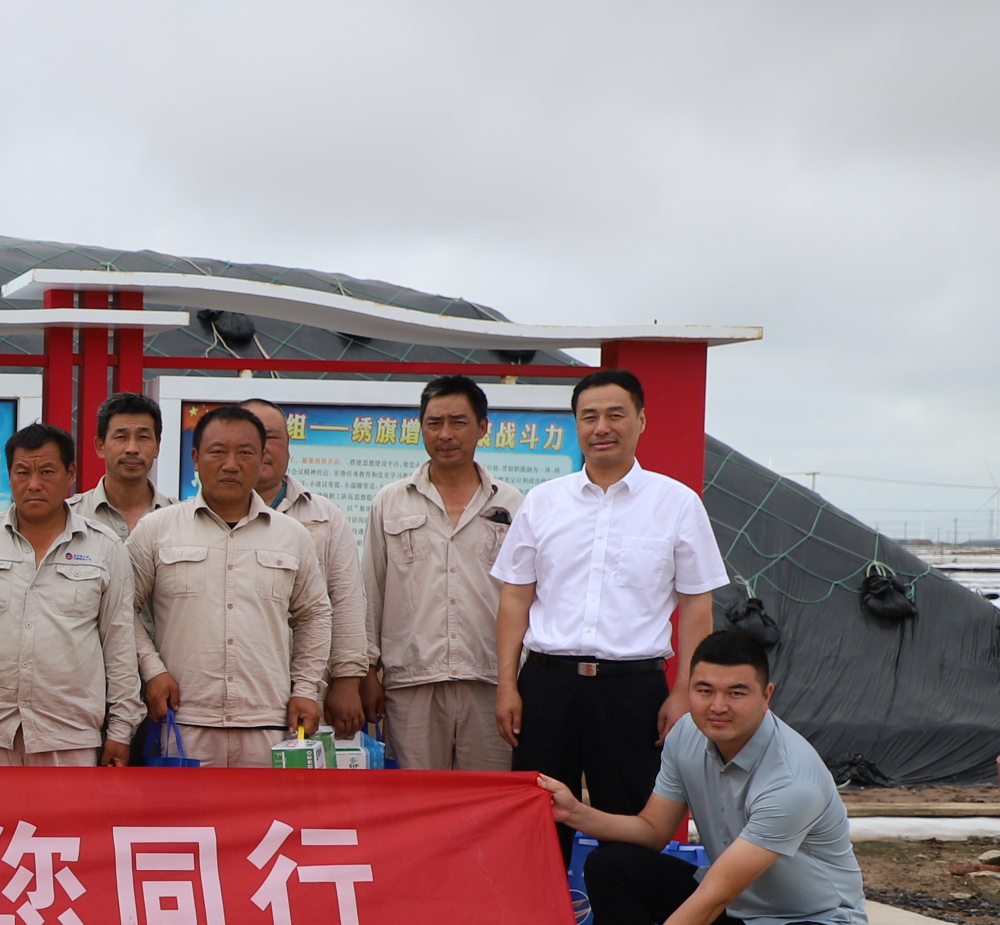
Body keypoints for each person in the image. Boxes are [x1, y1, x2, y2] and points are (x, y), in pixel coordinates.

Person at [543, 631, 868, 925]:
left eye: (737, 692)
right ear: (689, 689)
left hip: (813, 921)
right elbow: (652, 831)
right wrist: (576, 813)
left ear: (766, 696)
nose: (718, 706)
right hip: (736, 910)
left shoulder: (793, 782)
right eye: (705, 690)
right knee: (612, 864)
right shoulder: (686, 736)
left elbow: (714, 895)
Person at [493, 366, 729, 861]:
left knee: (631, 827)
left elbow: (696, 604)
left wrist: (684, 692)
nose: (602, 427)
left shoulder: (677, 504)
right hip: (547, 687)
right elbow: (515, 597)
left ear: (641, 420)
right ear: (576, 425)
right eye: (589, 416)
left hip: (633, 692)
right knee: (536, 825)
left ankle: (624, 917)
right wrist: (508, 685)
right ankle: (546, 915)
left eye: (615, 415)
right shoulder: (543, 501)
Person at [125, 403, 331, 767]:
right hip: (182, 722)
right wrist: (152, 670)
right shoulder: (157, 530)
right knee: (183, 808)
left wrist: (306, 689)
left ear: (262, 459)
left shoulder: (292, 536)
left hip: (269, 722)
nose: (231, 465)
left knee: (267, 808)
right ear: (196, 458)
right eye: (218, 452)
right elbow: (120, 608)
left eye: (245, 453)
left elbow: (314, 615)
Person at [0, 423, 140, 767]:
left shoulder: (104, 546)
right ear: (9, 477)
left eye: (46, 472)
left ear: (70, 474)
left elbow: (119, 644)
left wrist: (121, 729)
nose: (33, 484)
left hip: (71, 735)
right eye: (22, 472)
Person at [362, 374, 527, 770]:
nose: (445, 434)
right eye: (434, 423)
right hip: (411, 681)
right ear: (420, 427)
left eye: (458, 422)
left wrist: (519, 679)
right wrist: (366, 671)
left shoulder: (513, 504)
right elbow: (370, 588)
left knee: (487, 796)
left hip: (490, 681)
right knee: (417, 797)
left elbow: (526, 594)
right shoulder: (391, 501)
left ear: (482, 427)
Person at [239, 396, 372, 738]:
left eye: (271, 437)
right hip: (236, 688)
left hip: (311, 687)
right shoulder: (203, 517)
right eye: (249, 439)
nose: (261, 448)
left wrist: (347, 681)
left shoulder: (325, 516)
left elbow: (346, 600)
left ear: (289, 445)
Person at [71, 390, 170, 545]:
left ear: (157, 446)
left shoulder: (181, 519)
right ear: (100, 446)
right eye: (121, 437)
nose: (132, 448)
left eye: (143, 437)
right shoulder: (69, 516)